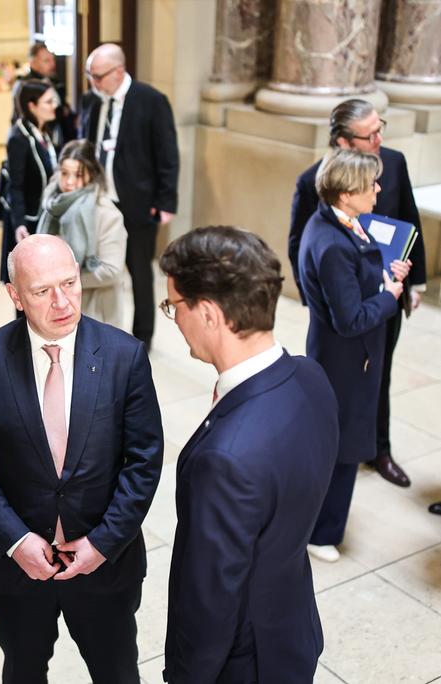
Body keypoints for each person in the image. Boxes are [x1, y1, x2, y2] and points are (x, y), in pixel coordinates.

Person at [0, 234, 163, 684]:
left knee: (118, 673)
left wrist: (103, 543)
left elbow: (143, 460)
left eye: (69, 283)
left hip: (106, 566)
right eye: (42, 291)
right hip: (20, 569)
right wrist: (15, 540)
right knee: (23, 672)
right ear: (15, 295)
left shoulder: (124, 356)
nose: (62, 301)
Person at [160, 226, 339, 683]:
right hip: (292, 630)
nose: (173, 319)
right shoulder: (311, 377)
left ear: (208, 313)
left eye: (173, 306)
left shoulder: (225, 459)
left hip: (244, 665)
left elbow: (210, 601)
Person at [289, 98, 427, 489]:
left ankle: (377, 449)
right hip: (345, 304)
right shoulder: (314, 179)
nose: (380, 138)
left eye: (380, 127)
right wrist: (317, 300)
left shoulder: (394, 163)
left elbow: (410, 220)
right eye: (371, 134)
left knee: (379, 375)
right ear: (345, 142)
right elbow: (299, 241)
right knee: (341, 386)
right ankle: (334, 462)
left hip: (387, 293)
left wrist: (413, 283)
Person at [298, 148, 411, 563]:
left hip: (347, 356)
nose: (378, 189)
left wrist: (384, 277)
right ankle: (321, 534)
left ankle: (321, 527)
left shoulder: (339, 223)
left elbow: (352, 283)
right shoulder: (330, 243)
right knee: (341, 450)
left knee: (342, 444)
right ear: (346, 193)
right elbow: (350, 319)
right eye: (371, 184)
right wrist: (390, 296)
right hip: (344, 360)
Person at [81, 43, 179, 351]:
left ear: (119, 71)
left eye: (98, 76)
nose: (93, 83)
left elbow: (167, 155)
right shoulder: (94, 102)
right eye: (90, 76)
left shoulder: (151, 101)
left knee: (139, 273)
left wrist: (166, 201)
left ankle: (142, 338)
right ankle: (102, 330)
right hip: (100, 201)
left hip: (137, 202)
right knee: (102, 269)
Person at [37, 139, 127, 328]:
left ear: (91, 174)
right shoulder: (53, 203)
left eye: (78, 175)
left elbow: (111, 271)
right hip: (58, 308)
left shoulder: (107, 214)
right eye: (64, 174)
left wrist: (62, 284)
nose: (69, 182)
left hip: (95, 312)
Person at [0, 80, 58, 283]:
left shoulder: (44, 131)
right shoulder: (19, 137)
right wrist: (20, 224)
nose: (54, 106)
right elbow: (15, 186)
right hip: (28, 221)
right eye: (48, 102)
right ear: (32, 106)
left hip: (43, 216)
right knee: (28, 282)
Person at [11, 42, 76, 148]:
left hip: (59, 136)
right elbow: (19, 116)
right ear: (33, 63)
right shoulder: (24, 85)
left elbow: (62, 107)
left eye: (52, 59)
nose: (53, 64)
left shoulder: (54, 81)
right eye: (47, 61)